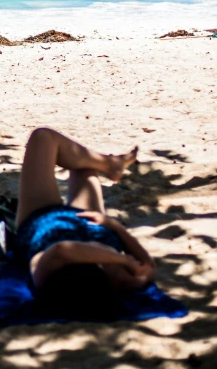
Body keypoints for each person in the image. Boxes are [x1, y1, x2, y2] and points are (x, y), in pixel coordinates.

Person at [14, 127, 155, 320]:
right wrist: (113, 226)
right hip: (91, 224)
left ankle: (109, 163)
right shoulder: (116, 279)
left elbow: (62, 250)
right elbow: (147, 267)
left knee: (42, 138)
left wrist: (121, 259)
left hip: (43, 219)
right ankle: (110, 164)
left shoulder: (43, 275)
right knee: (84, 164)